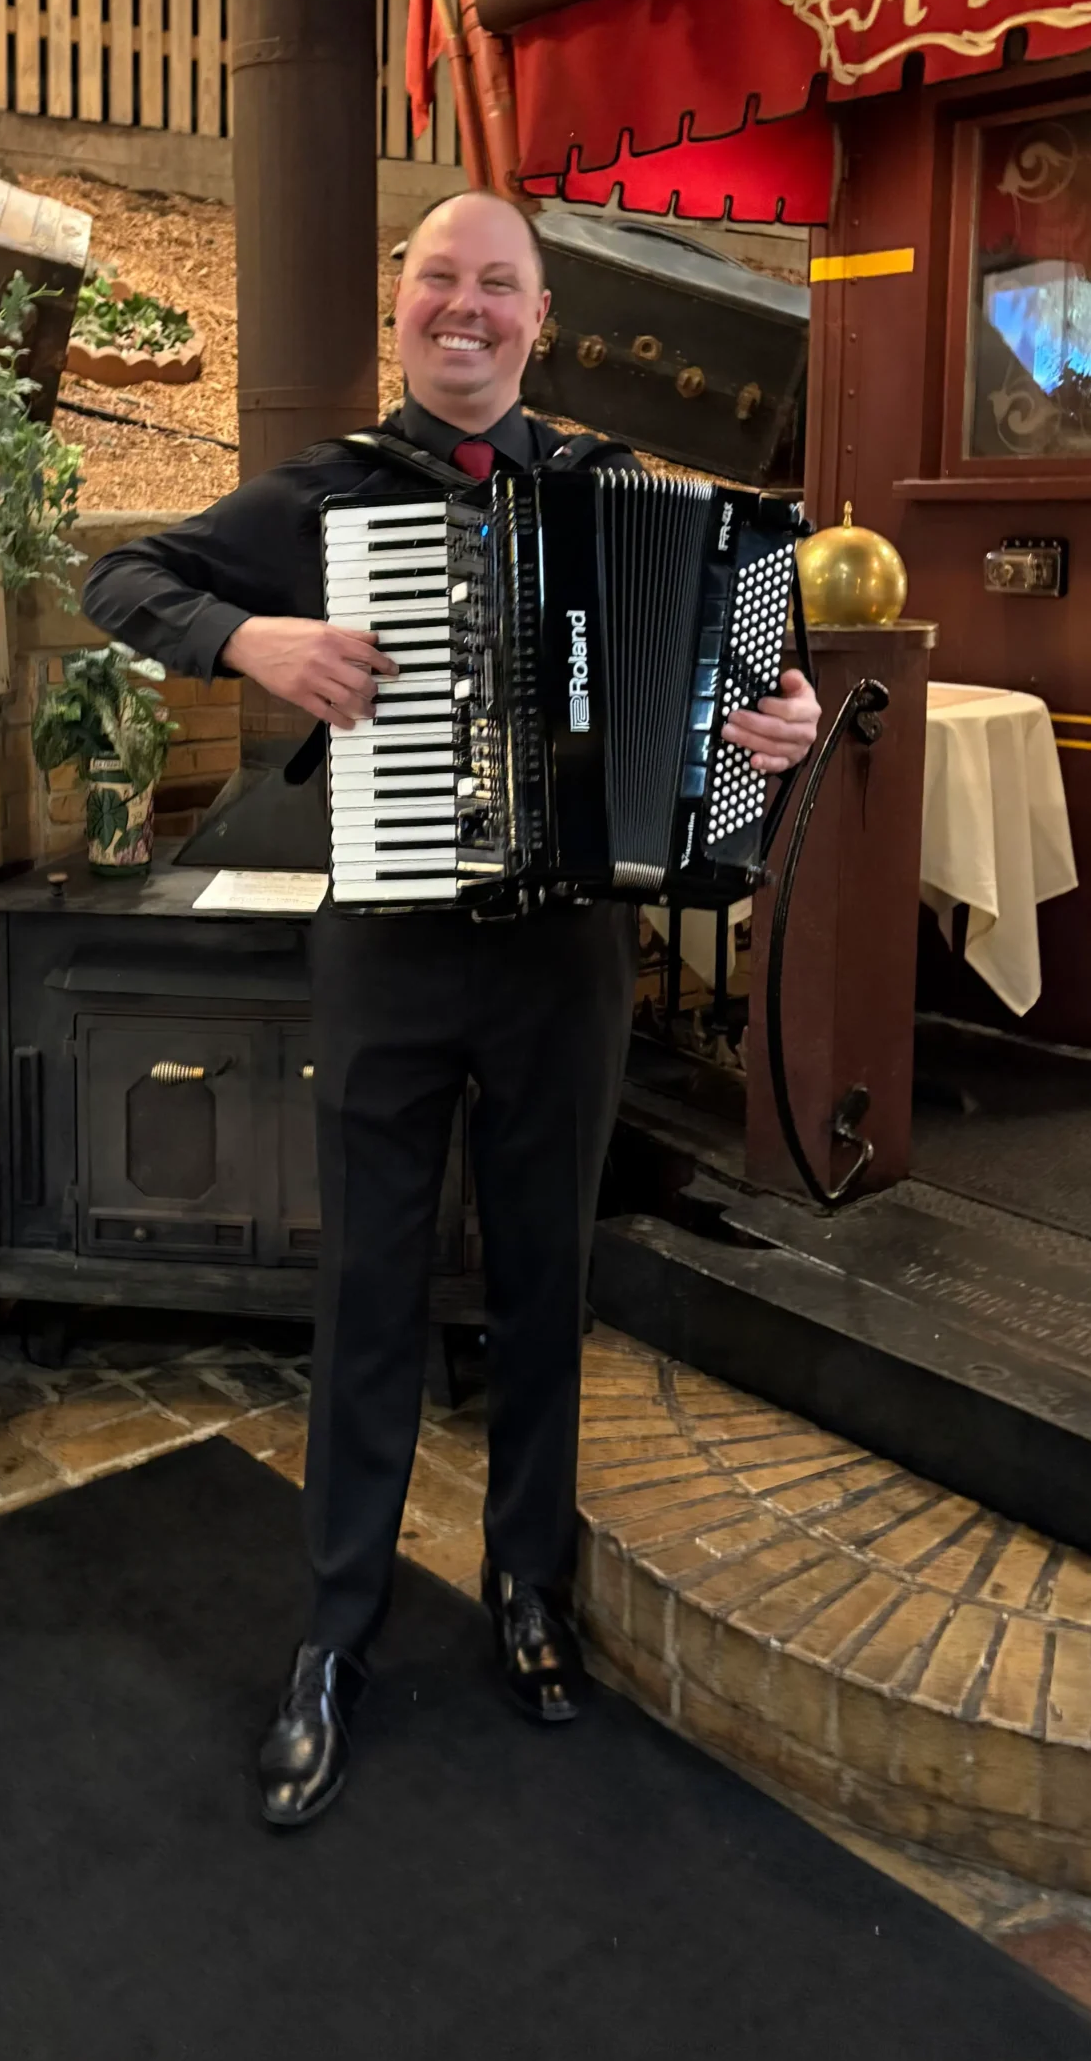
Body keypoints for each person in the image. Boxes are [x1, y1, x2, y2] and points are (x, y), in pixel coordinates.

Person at [82, 191, 820, 1827]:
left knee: (549, 1279)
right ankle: (335, 1630)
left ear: (541, 320)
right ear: (400, 303)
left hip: (566, 962)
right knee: (370, 1284)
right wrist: (251, 638)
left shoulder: (616, 487)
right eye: (439, 279)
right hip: (393, 956)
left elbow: (753, 685)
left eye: (499, 285)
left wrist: (781, 722)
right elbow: (122, 576)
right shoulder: (329, 495)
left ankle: (529, 1585)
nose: (465, 308)